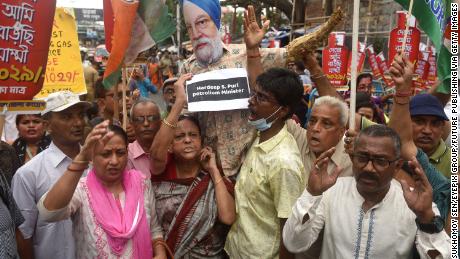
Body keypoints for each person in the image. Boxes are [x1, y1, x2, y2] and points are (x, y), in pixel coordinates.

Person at [180, 1, 340, 177]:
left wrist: (253, 48)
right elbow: (187, 119)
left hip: (253, 168)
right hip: (208, 172)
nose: (196, 34)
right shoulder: (188, 68)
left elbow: (293, 52)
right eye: (189, 27)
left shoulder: (246, 53)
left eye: (202, 22)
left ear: (217, 22)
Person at [283, 125, 451, 258]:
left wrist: (426, 218)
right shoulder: (331, 192)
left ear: (397, 165)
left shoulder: (415, 203)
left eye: (380, 161)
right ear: (352, 158)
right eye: (362, 158)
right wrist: (311, 194)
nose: (369, 168)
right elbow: (294, 244)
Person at [37, 122, 167, 258]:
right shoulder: (82, 190)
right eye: (106, 154)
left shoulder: (141, 183)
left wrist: (160, 252)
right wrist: (81, 158)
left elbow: (154, 229)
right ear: (91, 157)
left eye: (120, 153)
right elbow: (48, 213)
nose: (115, 161)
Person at [150, 74, 235, 258]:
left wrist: (212, 170)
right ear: (170, 146)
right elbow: (156, 154)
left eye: (193, 135)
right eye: (179, 137)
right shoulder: (163, 172)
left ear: (201, 140)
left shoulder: (211, 176)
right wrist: (179, 102)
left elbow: (227, 217)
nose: (187, 140)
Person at [225, 67, 306, 258]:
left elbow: (289, 230)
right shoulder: (261, 136)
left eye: (261, 98)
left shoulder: (284, 162)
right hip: (237, 249)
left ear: (283, 110)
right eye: (254, 94)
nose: (251, 101)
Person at [12, 91, 90, 259]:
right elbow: (23, 235)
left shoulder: (98, 164)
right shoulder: (28, 174)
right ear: (48, 125)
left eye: (80, 115)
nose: (77, 122)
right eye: (67, 117)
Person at [409, 94, 451, 177]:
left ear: (442, 129)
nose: (427, 131)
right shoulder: (393, 155)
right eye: (419, 121)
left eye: (435, 123)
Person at [127, 99, 161, 178]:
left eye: (151, 118)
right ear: (131, 124)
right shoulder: (125, 154)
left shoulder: (170, 151)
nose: (146, 123)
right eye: (139, 119)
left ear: (160, 123)